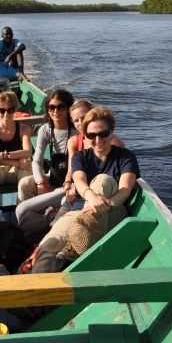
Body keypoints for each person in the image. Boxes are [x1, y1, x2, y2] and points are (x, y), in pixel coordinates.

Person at [30, 107, 140, 273]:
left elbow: (125, 190)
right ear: (85, 136)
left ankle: (79, 241)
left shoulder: (125, 157)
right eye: (92, 135)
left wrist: (106, 204)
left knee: (104, 180)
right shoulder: (80, 157)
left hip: (113, 212)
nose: (98, 139)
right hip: (79, 212)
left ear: (112, 134)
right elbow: (79, 180)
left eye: (103, 134)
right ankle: (38, 294)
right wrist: (90, 196)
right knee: (50, 244)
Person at [15, 89, 76, 222]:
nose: (56, 111)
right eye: (52, 107)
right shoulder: (46, 130)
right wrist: (40, 182)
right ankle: (26, 224)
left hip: (71, 181)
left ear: (68, 109)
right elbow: (37, 160)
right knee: (24, 183)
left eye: (61, 107)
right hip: (53, 177)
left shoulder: (76, 131)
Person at [64, 99, 126, 207]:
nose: (81, 123)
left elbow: (112, 173)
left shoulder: (114, 144)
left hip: (104, 190)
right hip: (79, 189)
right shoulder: (73, 141)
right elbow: (71, 170)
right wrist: (68, 186)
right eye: (76, 120)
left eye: (84, 118)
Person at [0, 91, 33, 211]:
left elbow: (27, 152)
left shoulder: (24, 128)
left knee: (26, 167)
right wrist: (17, 162)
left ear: (15, 110)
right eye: (1, 110)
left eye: (10, 110)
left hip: (15, 172)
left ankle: (23, 210)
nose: (6, 114)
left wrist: (2, 155)